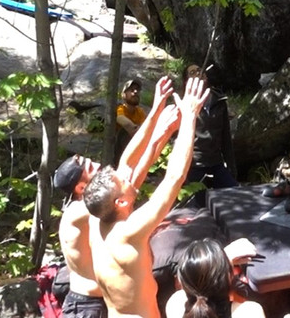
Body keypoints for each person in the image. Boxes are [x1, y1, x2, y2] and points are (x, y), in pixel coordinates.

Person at [53, 76, 181, 318]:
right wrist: (162, 129)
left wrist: (158, 113)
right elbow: (129, 169)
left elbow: (130, 166)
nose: (98, 165)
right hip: (85, 306)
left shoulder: (92, 205)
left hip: (100, 302)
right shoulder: (81, 211)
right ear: (81, 187)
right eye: (90, 168)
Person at [84, 75, 210, 318]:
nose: (129, 177)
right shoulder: (127, 232)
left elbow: (128, 163)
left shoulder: (97, 218)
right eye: (124, 181)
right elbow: (174, 178)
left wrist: (160, 122)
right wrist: (190, 117)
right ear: (121, 202)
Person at [166, 237, 265, 318]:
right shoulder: (249, 312)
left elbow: (195, 287)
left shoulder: (175, 306)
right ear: (229, 276)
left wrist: (220, 264)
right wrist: (223, 261)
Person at [183, 64, 238, 195]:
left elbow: (226, 136)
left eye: (199, 70)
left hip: (216, 163)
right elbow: (178, 139)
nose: (198, 73)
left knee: (235, 193)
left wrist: (231, 167)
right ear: (186, 82)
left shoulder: (220, 100)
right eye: (192, 72)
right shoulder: (184, 104)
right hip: (195, 164)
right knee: (198, 201)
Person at [114, 78, 146, 162]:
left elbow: (146, 127)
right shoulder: (120, 108)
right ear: (123, 94)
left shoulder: (140, 112)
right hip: (118, 150)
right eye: (131, 90)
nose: (135, 92)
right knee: (124, 132)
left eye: (137, 90)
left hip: (136, 147)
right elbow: (121, 119)